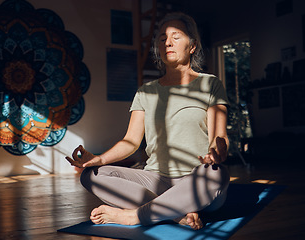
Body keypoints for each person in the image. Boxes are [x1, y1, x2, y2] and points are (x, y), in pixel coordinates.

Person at [66, 12, 230, 230]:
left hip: (196, 179)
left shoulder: (211, 85)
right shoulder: (146, 92)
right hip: (156, 180)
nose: (167, 42)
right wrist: (99, 159)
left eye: (176, 36)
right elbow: (131, 142)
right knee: (91, 176)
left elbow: (219, 138)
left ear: (192, 46)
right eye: (162, 39)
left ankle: (134, 216)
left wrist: (217, 153)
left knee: (215, 176)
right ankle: (175, 213)